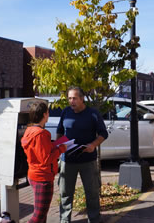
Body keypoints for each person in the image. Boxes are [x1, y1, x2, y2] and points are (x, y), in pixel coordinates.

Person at [57, 86, 108, 223]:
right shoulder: (66, 112)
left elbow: (103, 133)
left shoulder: (93, 114)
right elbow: (60, 132)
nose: (71, 101)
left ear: (82, 98)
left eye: (74, 98)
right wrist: (59, 146)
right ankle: (64, 220)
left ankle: (94, 219)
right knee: (65, 193)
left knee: (91, 193)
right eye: (69, 98)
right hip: (67, 160)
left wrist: (93, 145)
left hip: (88, 160)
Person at [21, 101, 67, 223]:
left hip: (34, 174)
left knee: (41, 213)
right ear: (45, 114)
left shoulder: (29, 130)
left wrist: (53, 145)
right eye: (48, 112)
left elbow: (39, 151)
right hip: (43, 177)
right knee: (39, 215)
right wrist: (61, 148)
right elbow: (46, 159)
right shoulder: (41, 134)